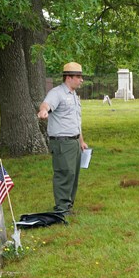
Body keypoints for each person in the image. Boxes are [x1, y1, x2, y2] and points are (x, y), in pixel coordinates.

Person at [37, 61, 89, 218]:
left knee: (73, 175)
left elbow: (75, 121)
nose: (81, 80)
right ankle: (61, 209)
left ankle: (68, 206)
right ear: (69, 78)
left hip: (73, 142)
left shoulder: (73, 95)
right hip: (62, 142)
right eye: (78, 77)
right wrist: (43, 111)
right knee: (64, 174)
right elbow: (45, 105)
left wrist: (81, 141)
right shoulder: (57, 93)